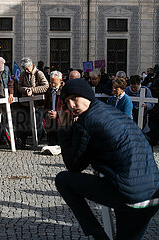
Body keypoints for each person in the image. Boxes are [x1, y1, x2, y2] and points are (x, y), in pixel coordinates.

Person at [55, 78, 159, 240]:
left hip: (130, 196)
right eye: (67, 101)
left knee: (62, 180)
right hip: (153, 193)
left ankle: (97, 234)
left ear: (87, 96)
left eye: (75, 99)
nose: (71, 105)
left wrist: (63, 129)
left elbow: (73, 165)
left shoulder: (87, 121)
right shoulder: (111, 112)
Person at [17, 57, 49, 149]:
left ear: (31, 65)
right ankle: (23, 141)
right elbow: (19, 86)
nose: (26, 70)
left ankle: (37, 141)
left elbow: (46, 86)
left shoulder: (39, 73)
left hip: (37, 103)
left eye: (27, 68)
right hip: (25, 103)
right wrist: (25, 90)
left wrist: (33, 90)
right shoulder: (23, 74)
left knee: (37, 123)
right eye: (24, 69)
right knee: (24, 122)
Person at [43, 71, 69, 145]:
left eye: (55, 83)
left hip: (62, 121)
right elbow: (46, 105)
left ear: (60, 81)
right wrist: (47, 113)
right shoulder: (49, 90)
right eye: (51, 82)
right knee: (52, 143)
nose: (52, 85)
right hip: (51, 121)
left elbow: (68, 107)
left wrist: (57, 114)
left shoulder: (65, 91)